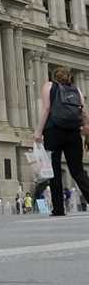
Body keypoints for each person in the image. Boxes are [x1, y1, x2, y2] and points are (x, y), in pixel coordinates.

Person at [34, 66, 89, 217]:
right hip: (73, 132)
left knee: (54, 171)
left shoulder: (49, 86)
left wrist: (38, 131)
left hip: (53, 132)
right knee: (77, 170)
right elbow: (83, 111)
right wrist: (86, 126)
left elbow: (46, 109)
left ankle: (58, 209)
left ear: (53, 76)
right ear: (69, 77)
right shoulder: (76, 90)